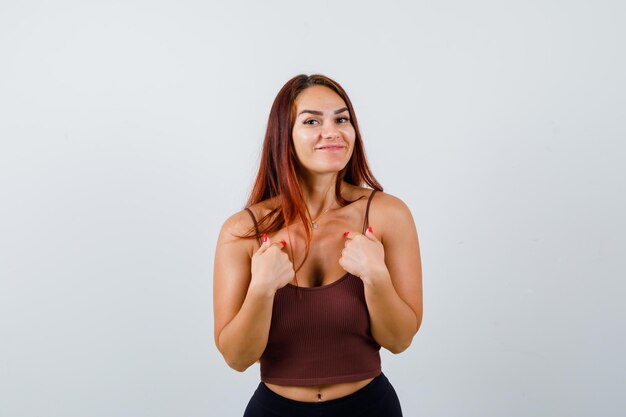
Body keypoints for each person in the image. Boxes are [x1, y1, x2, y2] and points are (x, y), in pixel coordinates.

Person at [213, 74, 423, 416]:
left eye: (342, 119)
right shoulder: (243, 231)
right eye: (312, 121)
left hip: (370, 408)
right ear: (284, 136)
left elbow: (399, 341)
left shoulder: (388, 215)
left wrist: (376, 277)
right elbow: (237, 358)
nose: (332, 131)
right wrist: (262, 289)